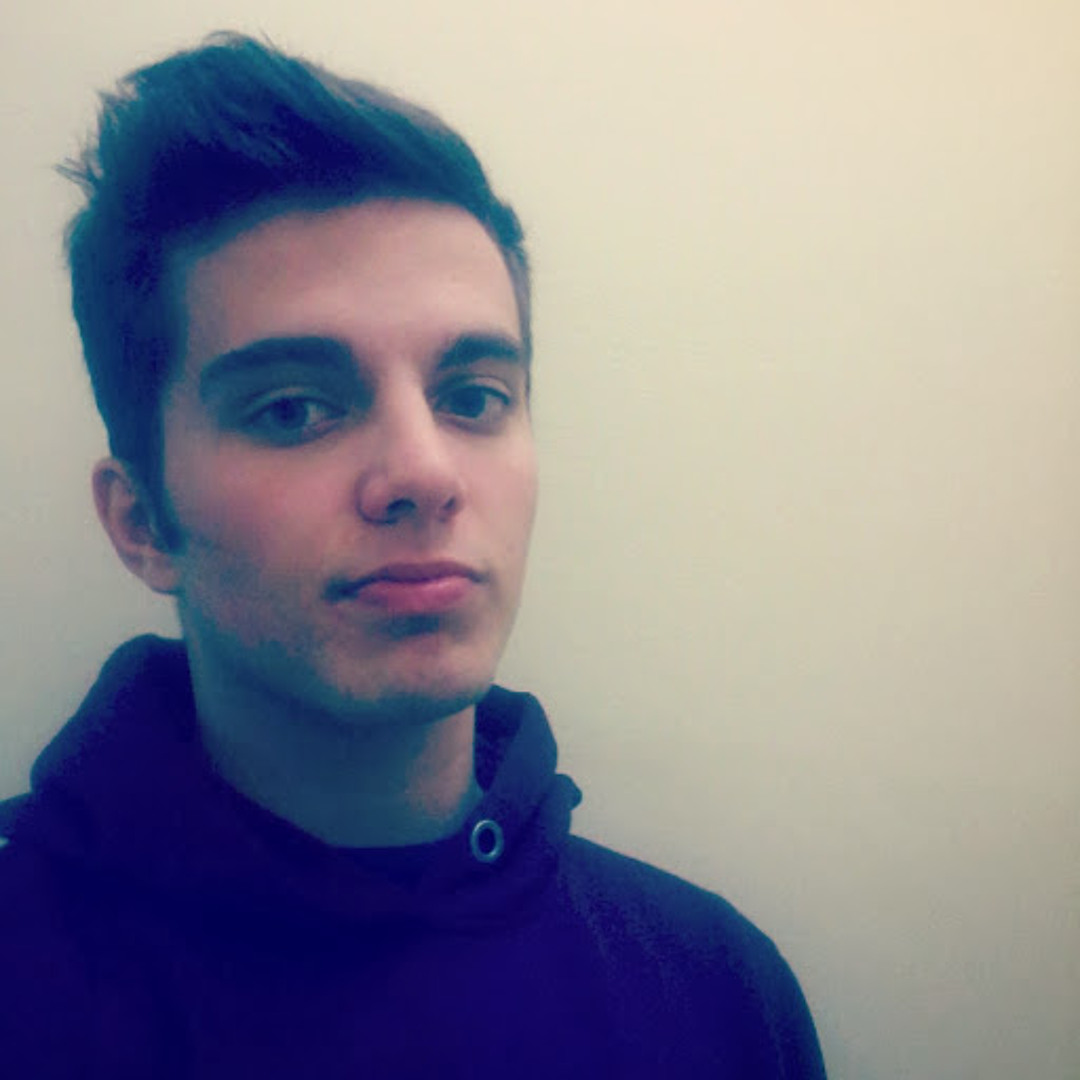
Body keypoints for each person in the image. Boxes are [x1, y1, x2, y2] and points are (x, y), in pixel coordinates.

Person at [0, 32, 826, 1078]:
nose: (426, 473)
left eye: (473, 397)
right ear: (141, 523)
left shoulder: (716, 991)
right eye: (293, 408)